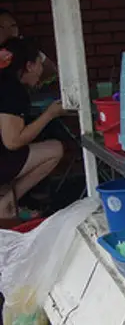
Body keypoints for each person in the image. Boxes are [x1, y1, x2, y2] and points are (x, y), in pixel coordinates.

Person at [0, 37, 66, 221]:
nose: (41, 70)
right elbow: (12, 142)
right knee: (55, 149)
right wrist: (50, 114)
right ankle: (5, 204)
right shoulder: (12, 90)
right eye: (38, 64)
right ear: (29, 65)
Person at [0, 9, 58, 86]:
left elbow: (51, 71)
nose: (9, 31)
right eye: (1, 27)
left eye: (13, 26)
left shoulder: (26, 48)